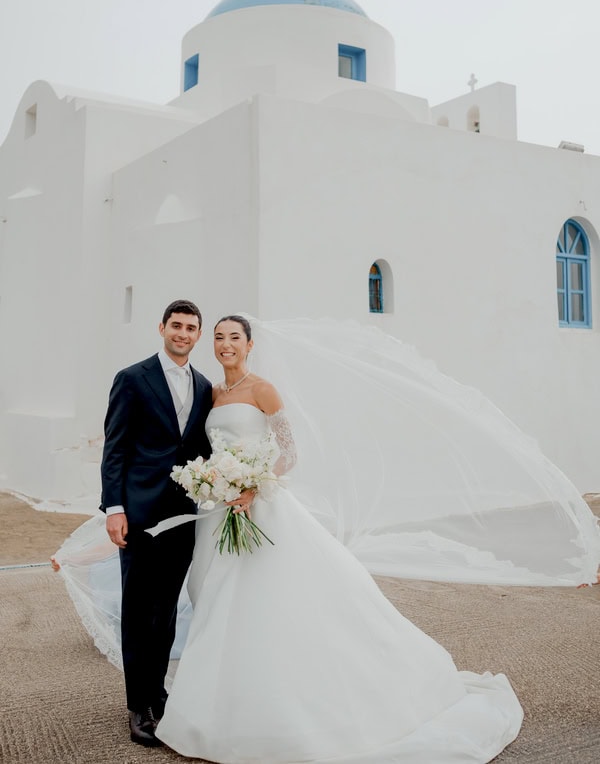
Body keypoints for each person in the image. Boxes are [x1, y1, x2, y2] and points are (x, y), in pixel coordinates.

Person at [154, 314, 524, 763]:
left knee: (263, 599)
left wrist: (252, 486)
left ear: (249, 345)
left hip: (260, 506)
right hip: (218, 511)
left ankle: (280, 702)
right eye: (218, 337)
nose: (225, 344)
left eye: (235, 337)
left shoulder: (263, 389)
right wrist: (217, 482)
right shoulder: (213, 394)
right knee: (214, 598)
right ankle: (220, 703)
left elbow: (289, 452)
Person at [99, 299, 212, 747]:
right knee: (138, 610)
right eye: (176, 325)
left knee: (165, 612)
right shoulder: (132, 378)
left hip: (183, 516)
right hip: (139, 514)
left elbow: (200, 449)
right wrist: (114, 508)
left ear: (197, 335)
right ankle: (137, 706)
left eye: (191, 328)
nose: (183, 333)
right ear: (162, 328)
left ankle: (157, 693)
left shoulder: (203, 386)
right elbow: (115, 448)